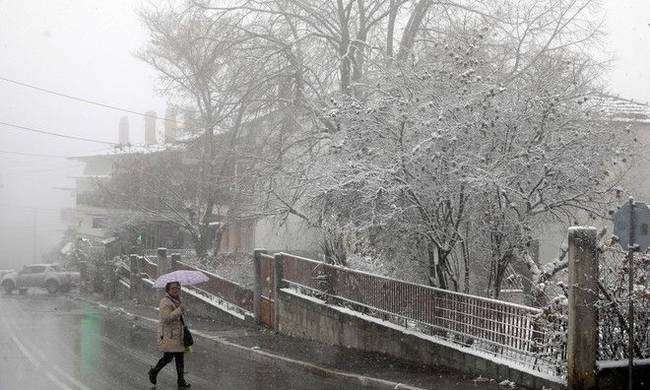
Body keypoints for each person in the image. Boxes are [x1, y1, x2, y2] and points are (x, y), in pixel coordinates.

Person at [148, 281, 191, 388]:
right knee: (168, 358)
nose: (176, 290)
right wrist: (180, 309)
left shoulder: (177, 300)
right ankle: (154, 371)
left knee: (180, 359)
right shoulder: (165, 302)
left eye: (177, 288)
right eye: (173, 288)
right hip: (169, 335)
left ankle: (181, 381)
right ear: (168, 290)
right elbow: (166, 318)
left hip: (178, 334)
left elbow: (178, 317)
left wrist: (181, 309)